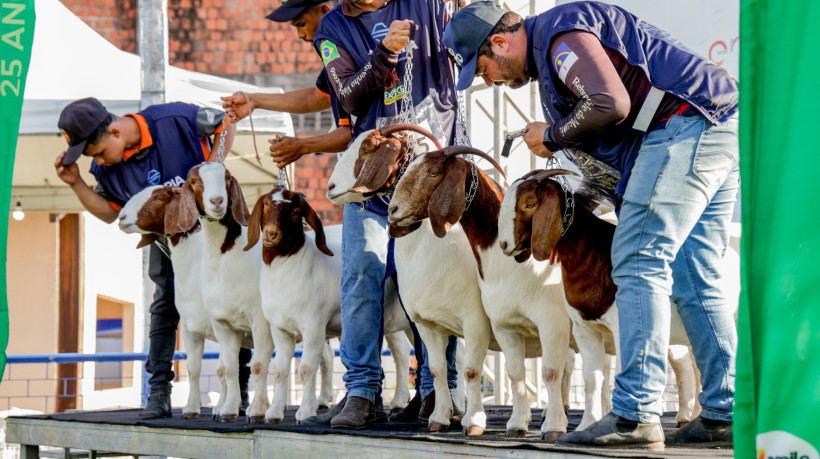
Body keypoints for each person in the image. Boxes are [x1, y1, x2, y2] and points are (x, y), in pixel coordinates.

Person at [444, 1, 738, 449]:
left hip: (684, 126)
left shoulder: (560, 36)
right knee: (695, 271)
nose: (490, 81)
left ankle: (635, 413)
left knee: (638, 258)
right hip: (713, 120)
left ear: (500, 42)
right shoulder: (557, 43)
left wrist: (553, 135)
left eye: (483, 68)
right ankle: (724, 411)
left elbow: (608, 102)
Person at [313, 0, 462, 429]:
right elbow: (350, 95)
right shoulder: (332, 26)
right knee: (361, 273)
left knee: (433, 282)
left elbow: (466, 46)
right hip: (371, 179)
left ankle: (438, 389)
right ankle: (361, 391)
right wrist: (385, 55)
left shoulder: (430, 4)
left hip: (429, 173)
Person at [54, 97, 252, 419]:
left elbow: (225, 123)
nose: (100, 163)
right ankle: (159, 392)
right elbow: (109, 214)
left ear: (115, 133)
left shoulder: (175, 117)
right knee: (164, 307)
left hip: (215, 233)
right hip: (170, 244)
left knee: (237, 302)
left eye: (100, 153)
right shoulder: (106, 169)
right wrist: (76, 183)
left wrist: (210, 170)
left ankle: (241, 389)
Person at [221, 0, 351, 168]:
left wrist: (302, 146)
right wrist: (254, 101)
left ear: (324, 11)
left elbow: (355, 131)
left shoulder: (352, 52)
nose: (299, 35)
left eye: (301, 24)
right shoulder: (336, 55)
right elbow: (317, 97)